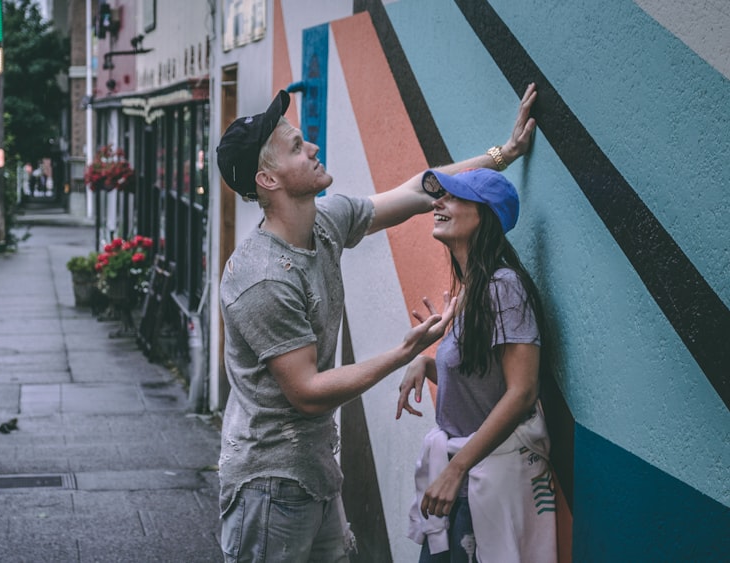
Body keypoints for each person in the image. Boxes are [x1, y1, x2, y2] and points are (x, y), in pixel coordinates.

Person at [214, 83, 537, 562]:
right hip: (270, 485)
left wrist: (502, 154)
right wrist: (404, 354)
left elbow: (417, 188)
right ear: (269, 180)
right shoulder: (261, 277)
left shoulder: (325, 222)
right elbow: (305, 391)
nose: (313, 147)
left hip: (316, 472)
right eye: (297, 147)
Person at [396, 168, 555, 562]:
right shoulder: (473, 291)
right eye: (440, 197)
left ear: (484, 215)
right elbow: (482, 375)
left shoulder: (504, 287)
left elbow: (522, 392)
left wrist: (456, 470)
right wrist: (426, 363)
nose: (438, 203)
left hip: (474, 485)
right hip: (460, 486)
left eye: (453, 197)